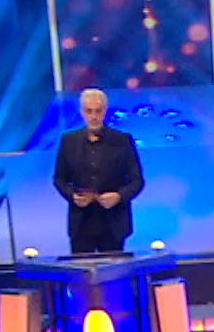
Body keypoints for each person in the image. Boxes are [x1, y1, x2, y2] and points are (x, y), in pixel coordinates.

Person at [53, 88, 145, 255]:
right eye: (89, 111)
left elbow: (137, 181)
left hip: (114, 223)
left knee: (114, 270)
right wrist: (72, 196)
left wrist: (118, 196)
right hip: (81, 223)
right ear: (82, 112)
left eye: (98, 111)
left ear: (104, 111)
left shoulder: (122, 140)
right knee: (81, 271)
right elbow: (59, 179)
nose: (94, 116)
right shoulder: (68, 141)